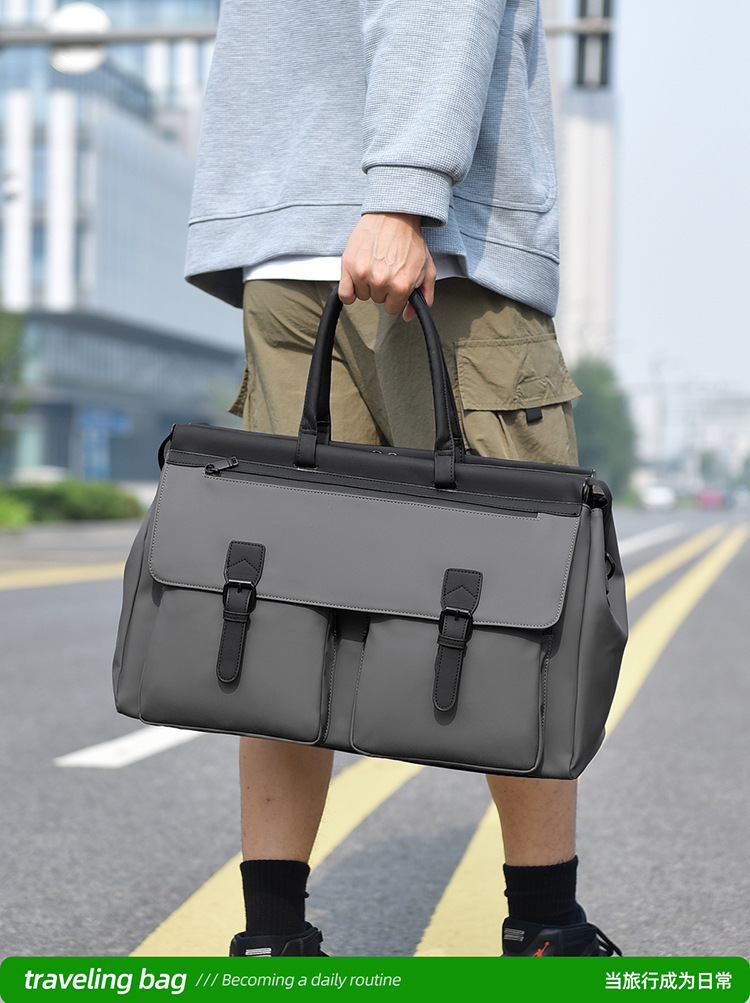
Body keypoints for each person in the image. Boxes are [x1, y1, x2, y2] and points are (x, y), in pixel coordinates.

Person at [185, 0, 621, 958]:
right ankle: (546, 927)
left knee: (284, 608)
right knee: (523, 599)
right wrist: (402, 196)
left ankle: (273, 938)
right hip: (434, 253)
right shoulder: (404, 211)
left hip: (285, 245)